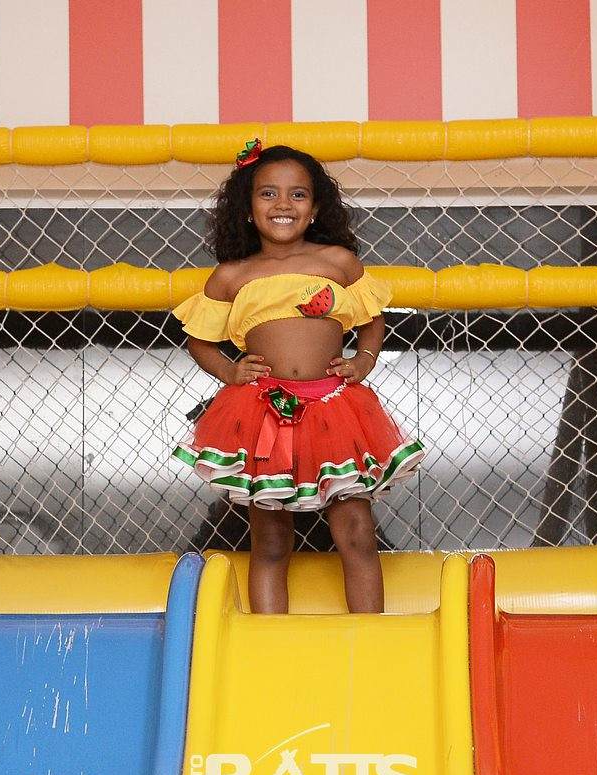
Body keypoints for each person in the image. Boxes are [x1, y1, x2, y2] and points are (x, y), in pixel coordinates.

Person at [172, 140, 424, 614]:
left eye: (298, 194)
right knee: (269, 540)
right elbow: (200, 340)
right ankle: (272, 640)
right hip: (263, 411)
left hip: (335, 410)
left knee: (356, 530)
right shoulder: (230, 276)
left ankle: (371, 638)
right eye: (268, 193)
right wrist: (230, 371)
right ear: (247, 208)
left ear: (316, 208)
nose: (283, 204)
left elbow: (372, 320)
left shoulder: (338, 263)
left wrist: (364, 360)